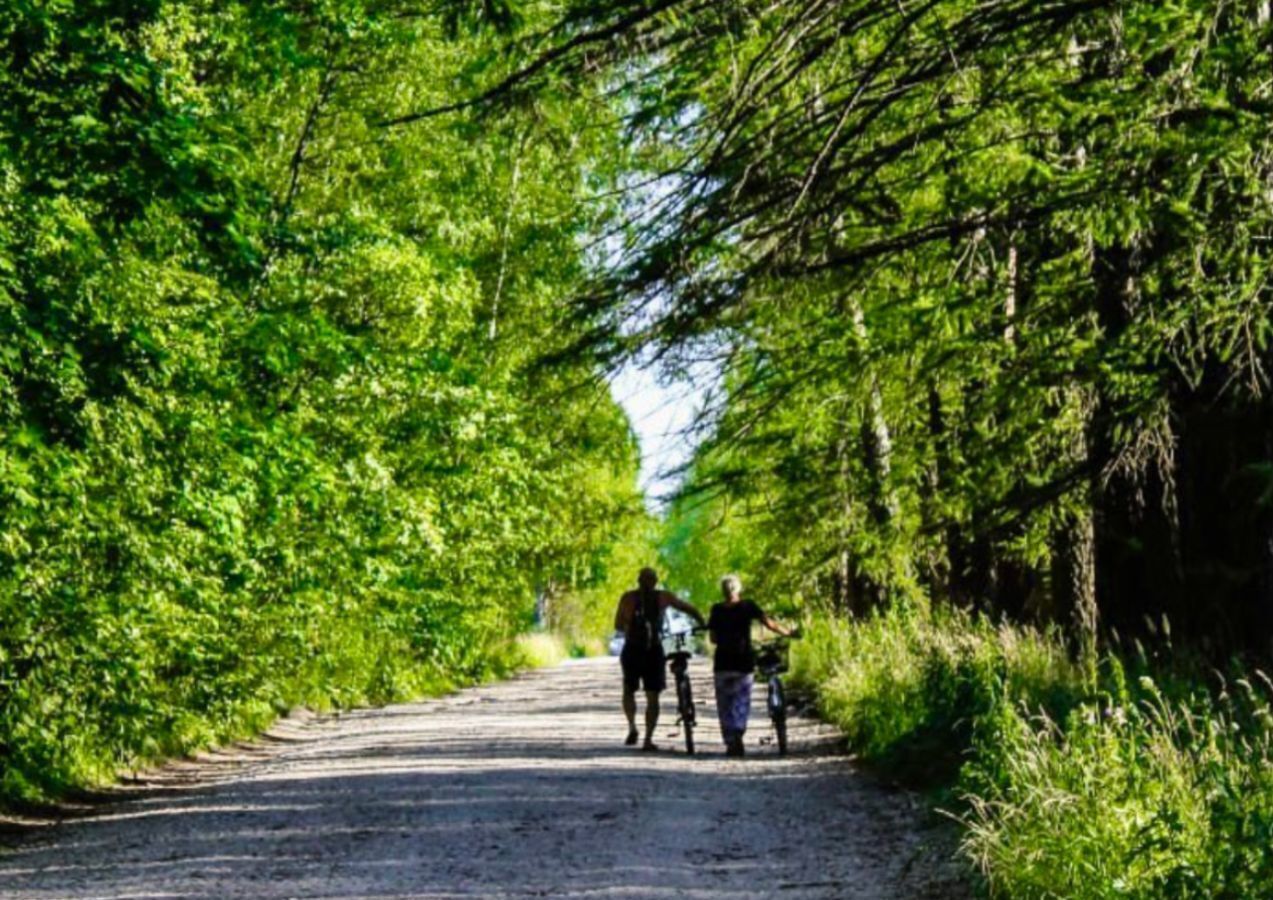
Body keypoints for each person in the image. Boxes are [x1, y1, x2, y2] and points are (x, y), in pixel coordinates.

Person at [614, 567, 705, 750]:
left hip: (632, 649)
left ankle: (632, 726)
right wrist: (702, 622)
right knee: (652, 696)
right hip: (654, 650)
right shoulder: (664, 597)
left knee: (628, 690)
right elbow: (688, 608)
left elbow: (617, 625)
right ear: (655, 581)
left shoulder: (627, 598)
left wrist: (631, 628)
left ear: (638, 580)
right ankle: (648, 739)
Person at [707, 574, 794, 757]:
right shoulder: (748, 606)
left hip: (722, 663)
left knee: (725, 704)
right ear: (738, 589)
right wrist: (788, 632)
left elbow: (713, 638)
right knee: (741, 701)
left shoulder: (716, 609)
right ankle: (738, 733)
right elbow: (769, 623)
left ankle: (731, 740)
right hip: (743, 662)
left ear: (722, 591)